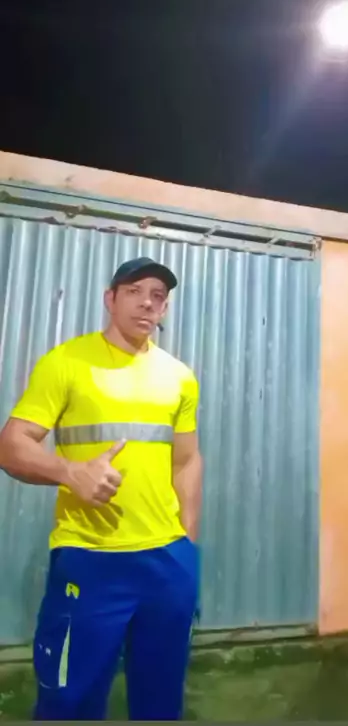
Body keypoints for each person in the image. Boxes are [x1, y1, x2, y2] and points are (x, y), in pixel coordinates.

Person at [0, 257, 203, 721]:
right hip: (90, 558)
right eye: (134, 291)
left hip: (167, 562)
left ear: (165, 308)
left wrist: (187, 542)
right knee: (69, 701)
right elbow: (11, 445)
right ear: (110, 299)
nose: (147, 302)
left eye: (157, 295)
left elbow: (188, 460)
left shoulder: (179, 376)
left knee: (160, 700)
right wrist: (70, 472)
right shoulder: (66, 362)